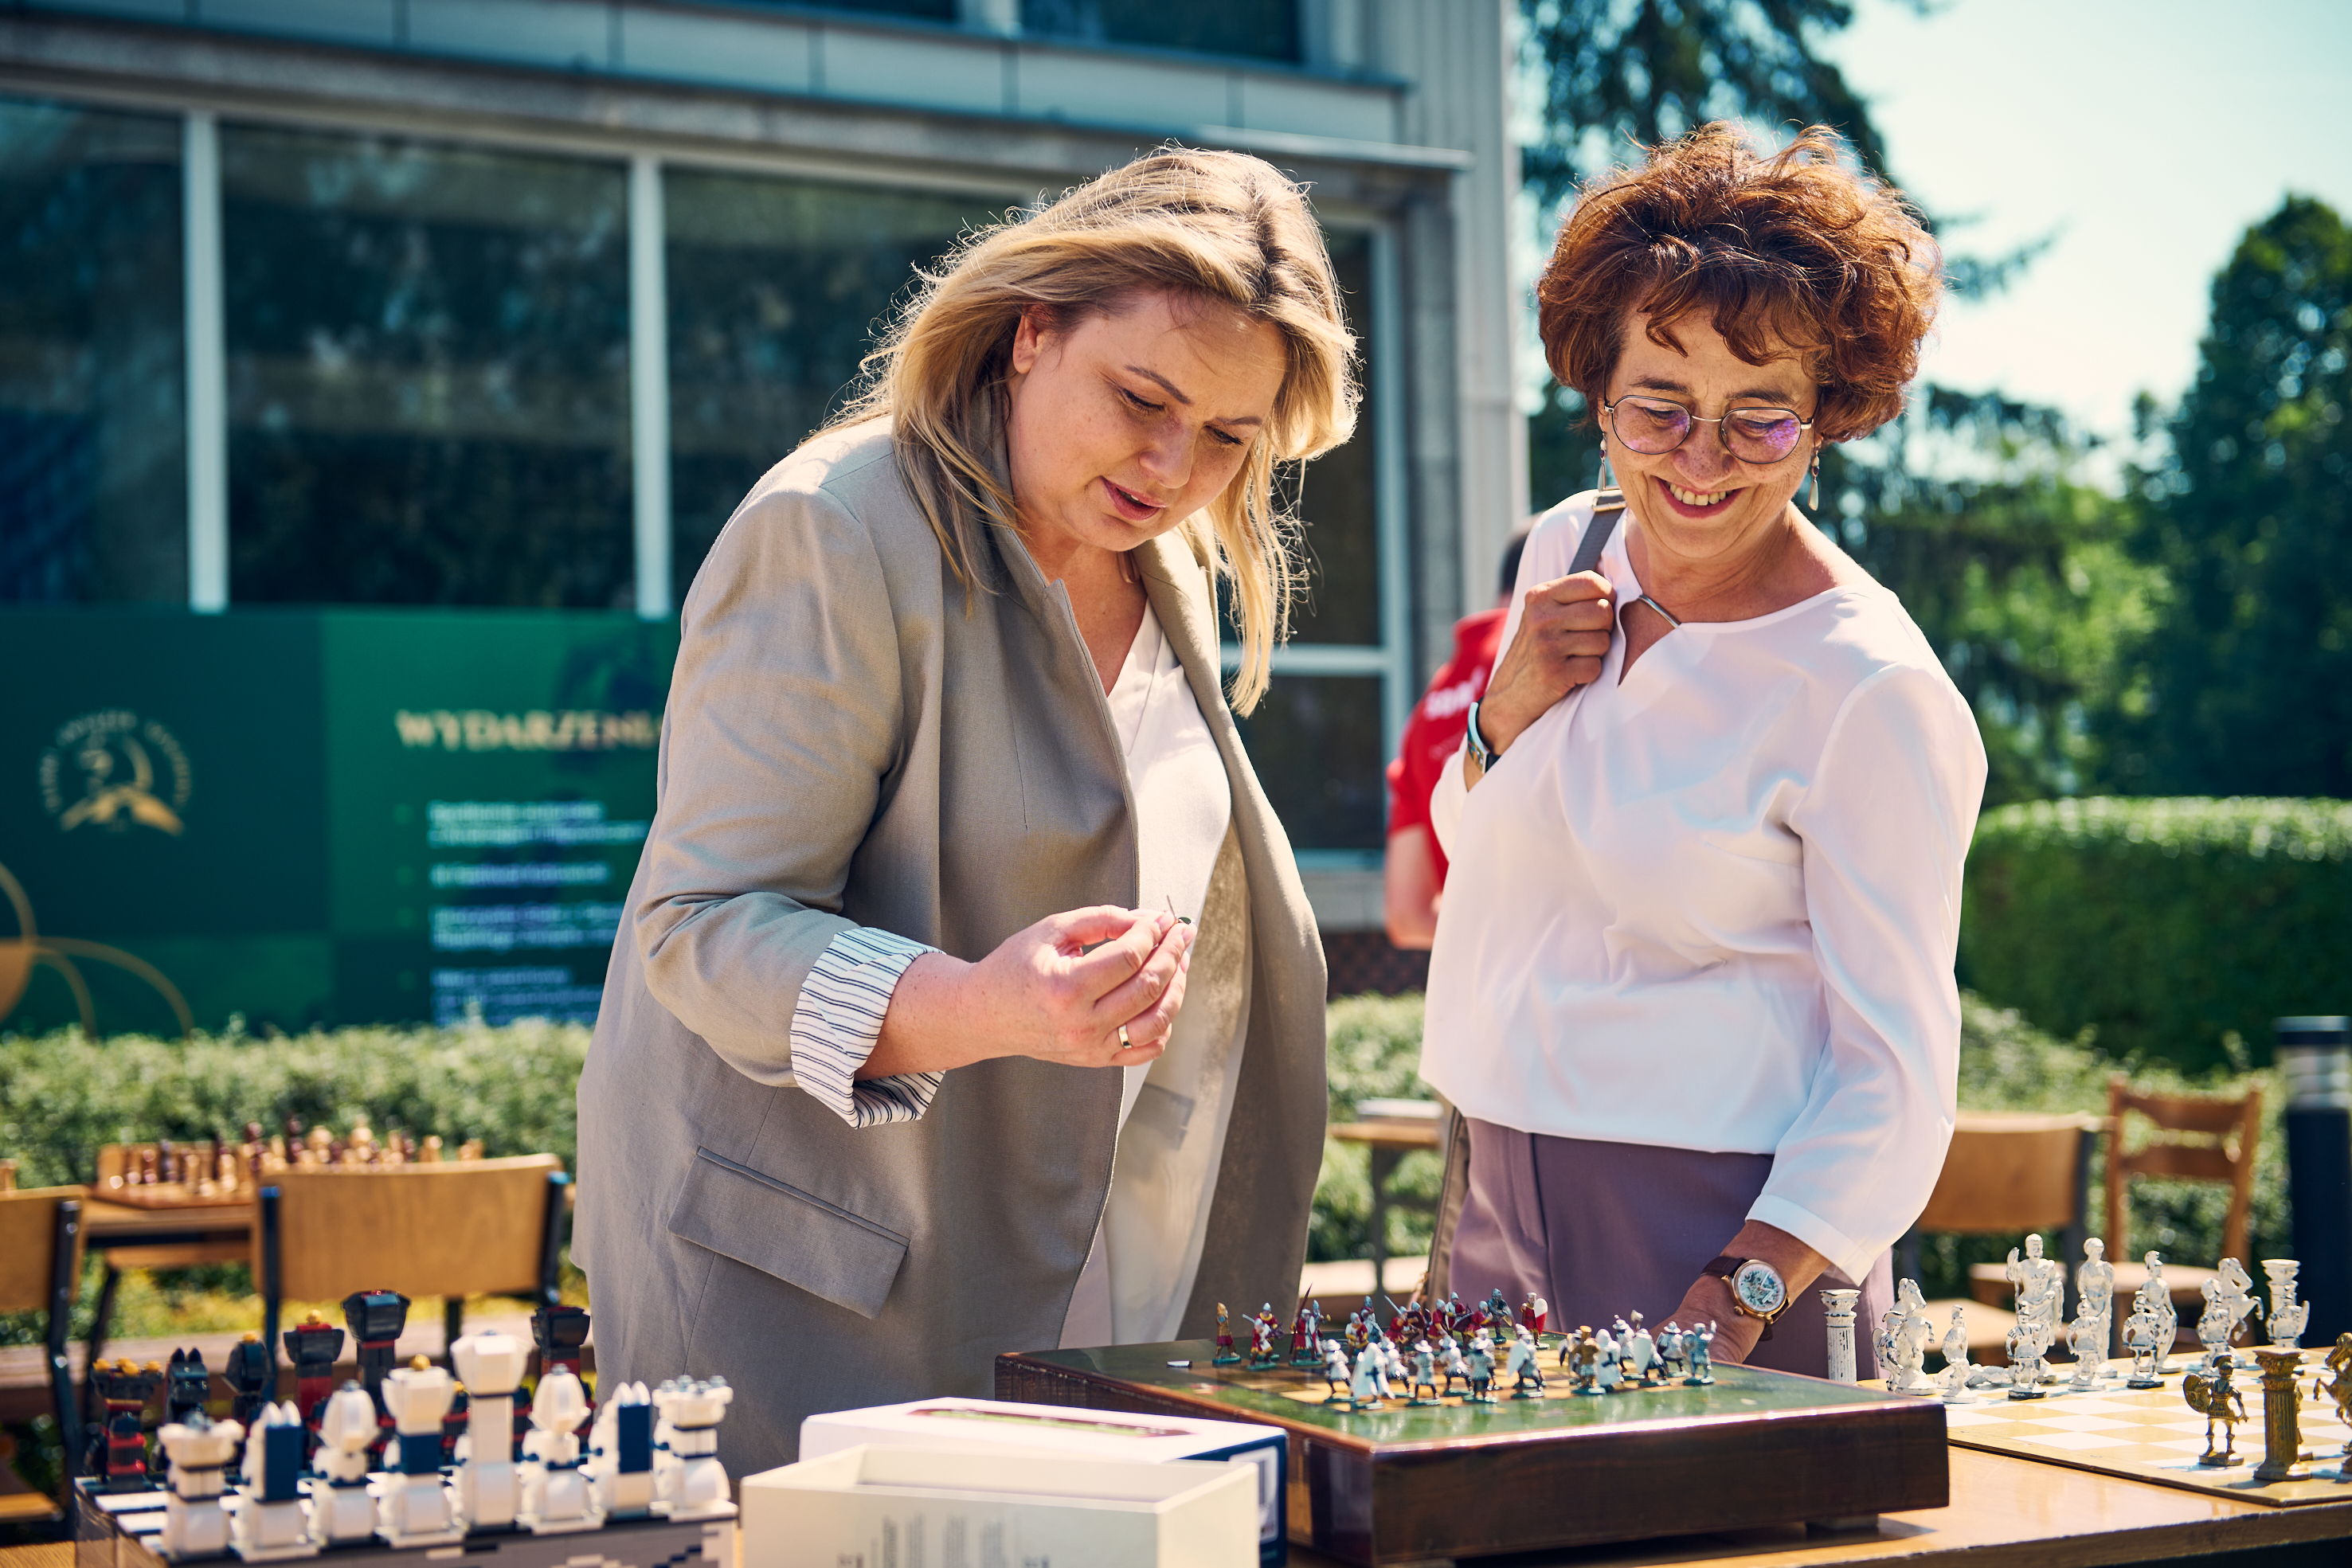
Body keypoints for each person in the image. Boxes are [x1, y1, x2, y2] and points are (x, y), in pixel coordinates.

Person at [573, 148, 1356, 1474]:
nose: (1174, 465)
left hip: (1106, 1294)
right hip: (831, 1310)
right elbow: (698, 928)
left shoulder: (1156, 556)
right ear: (1030, 330)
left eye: (1230, 437)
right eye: (1142, 398)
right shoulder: (833, 526)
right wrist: (979, 1003)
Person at [1418, 123, 1986, 1377]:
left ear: (1827, 414)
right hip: (1486, 1179)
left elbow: (1899, 1069)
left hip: (1722, 1230)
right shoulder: (1564, 549)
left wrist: (1742, 1287)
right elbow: (1486, 861)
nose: (1700, 459)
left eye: (1760, 420)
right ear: (1598, 397)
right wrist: (1499, 715)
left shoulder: (1867, 688)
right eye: (1661, 408)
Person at [1382, 527, 1529, 949]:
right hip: (1573, 990)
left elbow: (1407, 915)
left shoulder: (1430, 703)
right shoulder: (1555, 661)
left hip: (1470, 998)